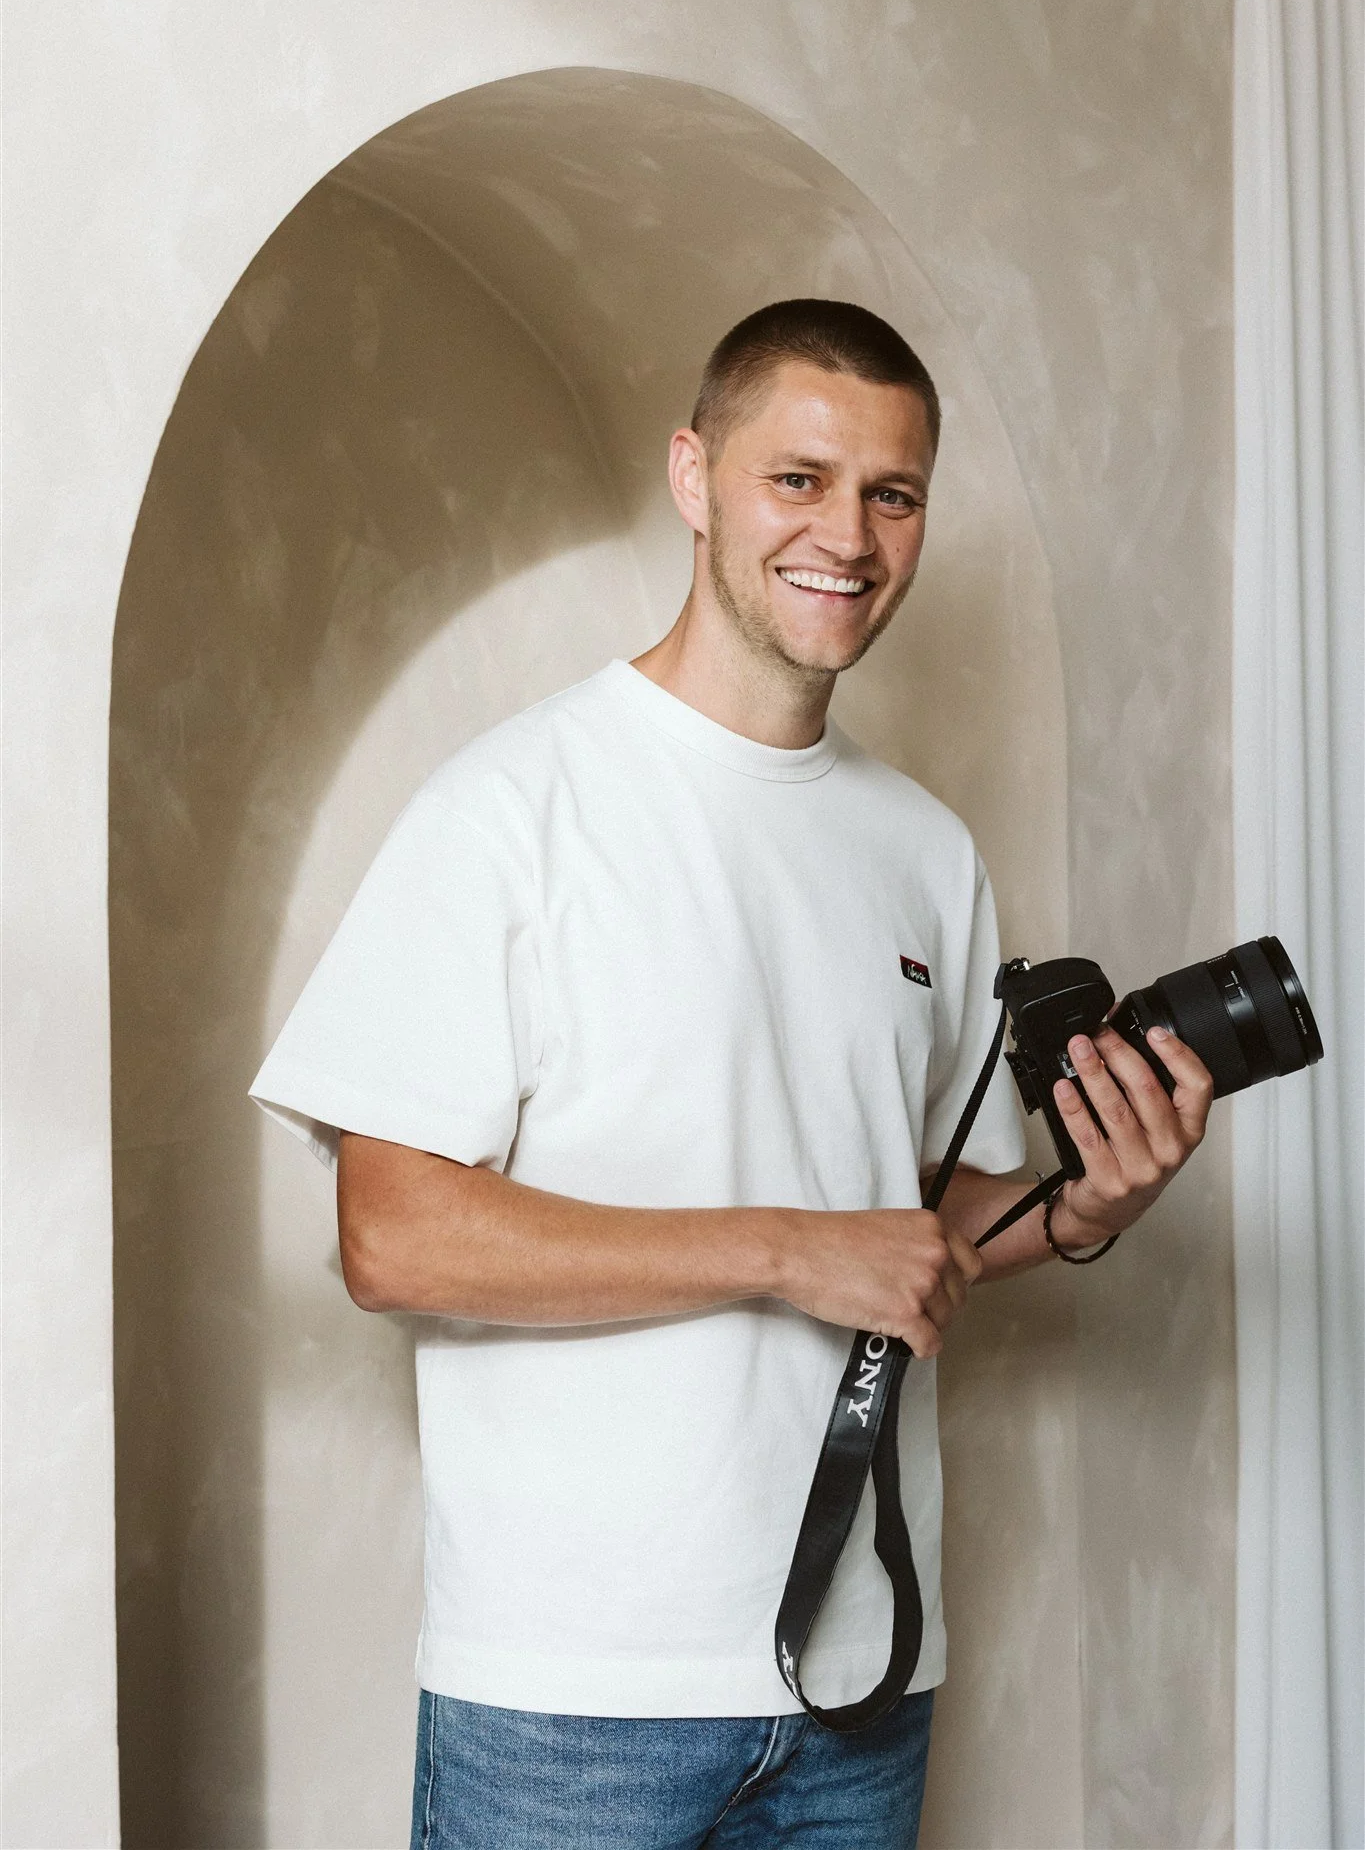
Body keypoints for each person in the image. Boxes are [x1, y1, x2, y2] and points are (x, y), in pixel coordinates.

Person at [249, 300, 1213, 1849]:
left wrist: (1083, 1205)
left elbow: (908, 1223)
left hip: (860, 1682)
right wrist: (778, 1249)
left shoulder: (926, 852)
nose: (849, 533)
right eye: (799, 480)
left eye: (891, 493)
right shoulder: (512, 806)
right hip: (569, 1704)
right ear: (695, 477)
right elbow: (394, 1234)